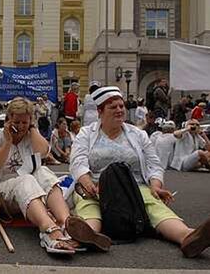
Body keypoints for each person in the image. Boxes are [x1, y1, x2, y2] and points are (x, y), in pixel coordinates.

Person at [70, 86, 210, 258]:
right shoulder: (86, 133)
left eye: (121, 106)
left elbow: (154, 163)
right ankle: (89, 234)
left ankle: (188, 237)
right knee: (89, 205)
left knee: (154, 205)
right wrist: (87, 183)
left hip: (135, 185)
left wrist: (155, 185)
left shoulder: (138, 134)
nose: (120, 110)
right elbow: (78, 162)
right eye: (113, 107)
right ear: (100, 111)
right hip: (95, 185)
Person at [0, 97, 111, 255]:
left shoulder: (30, 135)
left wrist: (33, 129)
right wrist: (8, 142)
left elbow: (44, 152)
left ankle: (66, 223)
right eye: (16, 122)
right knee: (26, 179)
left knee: (42, 171)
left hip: (29, 195)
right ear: (8, 120)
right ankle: (50, 230)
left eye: (25, 122)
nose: (21, 127)